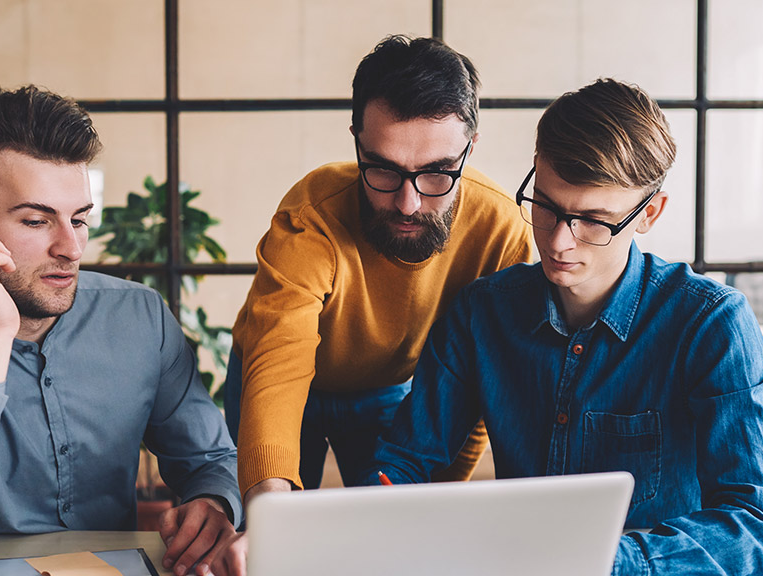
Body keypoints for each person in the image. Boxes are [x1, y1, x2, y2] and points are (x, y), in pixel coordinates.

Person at [363, 78, 763, 575]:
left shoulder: (712, 325)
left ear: (649, 213)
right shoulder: (481, 315)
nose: (559, 243)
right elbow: (405, 462)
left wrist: (606, 563)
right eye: (545, 207)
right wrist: (371, 513)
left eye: (593, 220)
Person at [0, 85, 240, 576]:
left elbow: (210, 458)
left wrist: (214, 503)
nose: (71, 248)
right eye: (36, 221)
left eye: (79, 220)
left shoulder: (139, 318)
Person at [211, 34, 533, 575]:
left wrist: (437, 501)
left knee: (389, 545)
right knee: (275, 543)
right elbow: (279, 363)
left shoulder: (502, 230)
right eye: (382, 169)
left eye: (436, 173)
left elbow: (482, 383)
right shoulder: (312, 212)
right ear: (357, 141)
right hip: (286, 385)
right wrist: (267, 514)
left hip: (388, 387)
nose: (409, 203)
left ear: (470, 148)